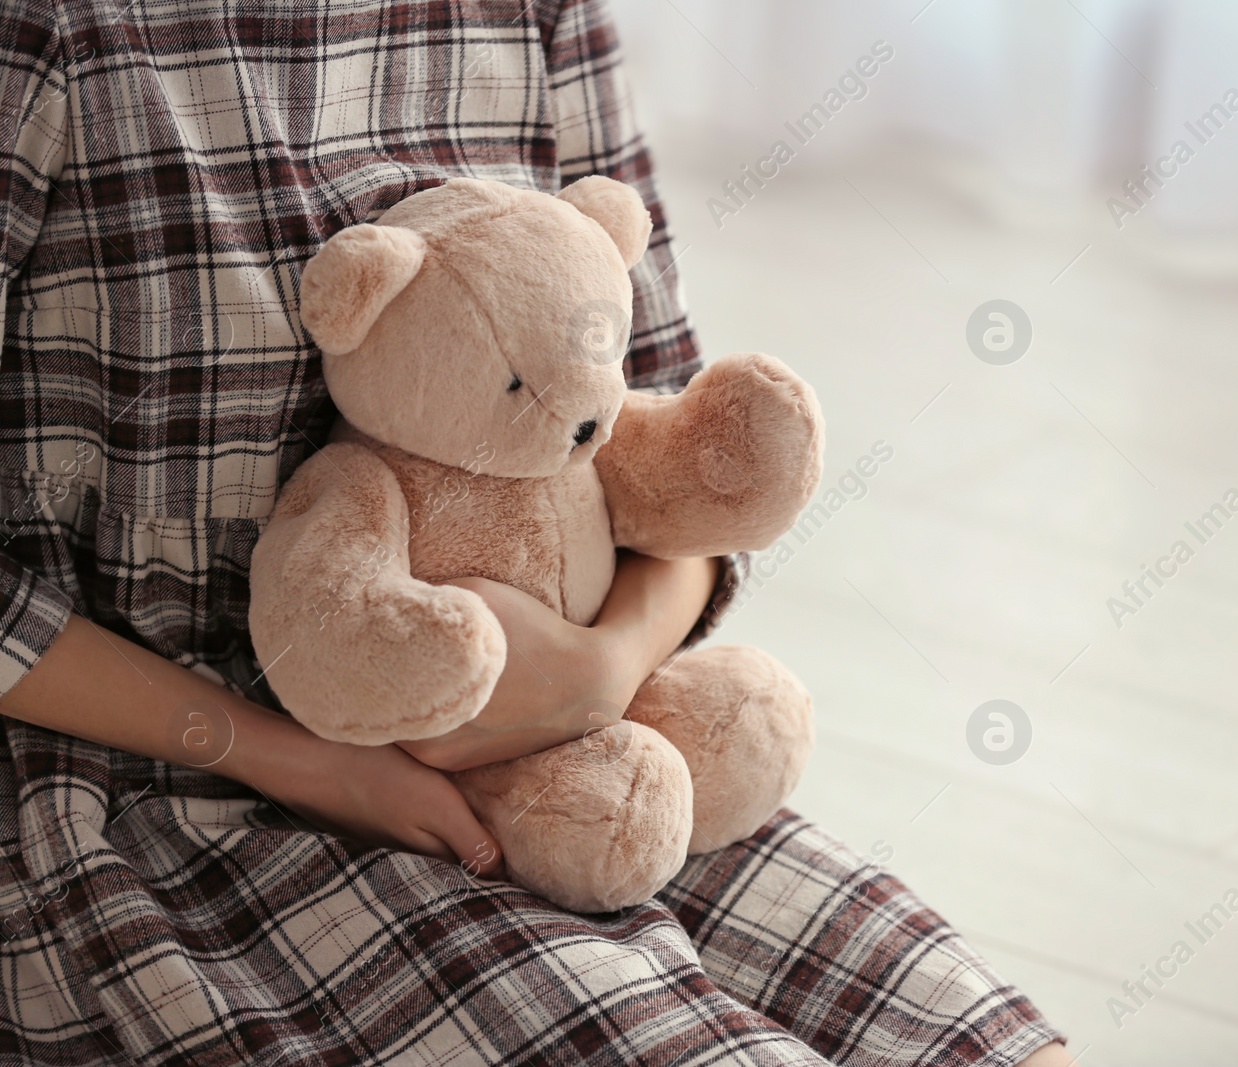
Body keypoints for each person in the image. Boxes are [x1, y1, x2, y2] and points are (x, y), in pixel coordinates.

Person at [0, 0, 1071, 1062]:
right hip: (153, 786)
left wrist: (607, 665)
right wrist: (315, 764)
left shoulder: (537, 13)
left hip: (594, 745)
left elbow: (656, 446)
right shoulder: (59, 33)